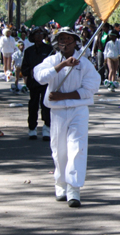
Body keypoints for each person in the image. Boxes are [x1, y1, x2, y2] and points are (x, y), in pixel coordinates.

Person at [33, 28, 101, 207]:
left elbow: (91, 87)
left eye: (68, 39)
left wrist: (63, 96)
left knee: (76, 148)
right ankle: (60, 184)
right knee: (59, 150)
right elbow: (40, 76)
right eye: (61, 39)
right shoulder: (51, 61)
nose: (65, 43)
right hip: (58, 112)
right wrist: (62, 65)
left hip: (78, 111)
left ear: (75, 42)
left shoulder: (84, 63)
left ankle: (73, 189)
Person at [21, 27, 53, 140]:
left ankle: (47, 129)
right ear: (33, 36)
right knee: (33, 106)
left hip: (46, 83)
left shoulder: (49, 49)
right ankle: (32, 129)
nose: (39, 35)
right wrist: (29, 71)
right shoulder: (28, 51)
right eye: (36, 34)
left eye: (41, 33)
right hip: (33, 83)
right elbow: (24, 68)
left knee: (46, 106)